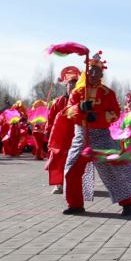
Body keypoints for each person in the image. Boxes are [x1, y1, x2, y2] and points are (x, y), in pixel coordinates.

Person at [62, 52, 131, 216]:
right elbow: (67, 112)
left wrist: (98, 117)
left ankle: (127, 203)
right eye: (90, 71)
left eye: (97, 71)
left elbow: (114, 113)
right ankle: (75, 204)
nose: (93, 74)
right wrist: (80, 109)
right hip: (81, 136)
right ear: (86, 72)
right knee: (71, 170)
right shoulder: (77, 93)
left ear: (101, 74)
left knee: (116, 169)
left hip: (101, 135)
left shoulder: (108, 93)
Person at [45, 66, 80, 194]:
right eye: (70, 83)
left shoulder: (81, 102)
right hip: (59, 137)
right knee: (57, 160)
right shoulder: (59, 102)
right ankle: (58, 184)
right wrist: (48, 132)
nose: (72, 86)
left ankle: (74, 183)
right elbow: (50, 119)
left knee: (75, 161)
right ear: (66, 85)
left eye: (75, 83)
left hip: (76, 136)